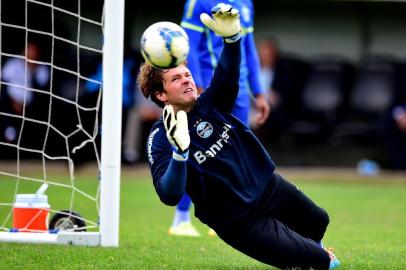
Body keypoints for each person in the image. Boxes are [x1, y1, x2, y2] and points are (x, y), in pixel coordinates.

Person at [137, 4, 340, 269]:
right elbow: (169, 194)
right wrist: (180, 153)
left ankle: (303, 253)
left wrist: (232, 40)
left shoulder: (210, 103)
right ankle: (308, 257)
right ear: (161, 95)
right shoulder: (161, 138)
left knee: (318, 220)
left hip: (269, 187)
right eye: (176, 79)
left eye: (187, 74)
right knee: (322, 263)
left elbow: (228, 74)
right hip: (241, 221)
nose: (187, 80)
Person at [168, 0, 271, 237]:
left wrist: (259, 91)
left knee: (237, 153)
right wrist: (197, 87)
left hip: (240, 92)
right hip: (210, 88)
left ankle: (227, 215)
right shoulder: (198, 2)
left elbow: (248, 48)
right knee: (198, 151)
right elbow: (189, 46)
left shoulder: (246, 3)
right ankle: (181, 218)